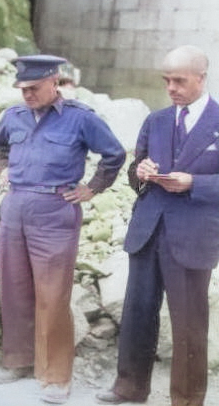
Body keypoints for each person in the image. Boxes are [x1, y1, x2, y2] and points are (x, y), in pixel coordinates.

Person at [0, 55, 126, 404]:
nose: (27, 95)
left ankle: (55, 376)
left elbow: (113, 154)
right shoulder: (13, 115)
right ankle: (17, 360)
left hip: (55, 212)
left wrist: (92, 188)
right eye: (22, 89)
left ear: (55, 81)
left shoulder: (80, 118)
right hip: (15, 208)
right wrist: (2, 169)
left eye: (34, 88)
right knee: (13, 290)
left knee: (52, 297)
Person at [96, 45, 219, 406]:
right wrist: (142, 171)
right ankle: (129, 387)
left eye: (179, 80)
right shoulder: (157, 120)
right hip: (148, 230)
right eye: (166, 80)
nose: (171, 88)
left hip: (193, 236)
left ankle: (186, 399)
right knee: (137, 313)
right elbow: (135, 177)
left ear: (201, 77)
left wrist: (194, 183)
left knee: (189, 324)